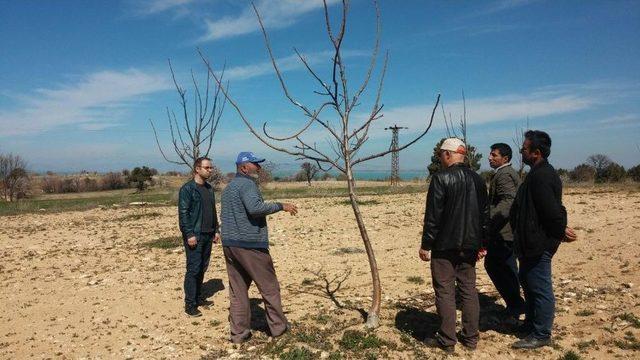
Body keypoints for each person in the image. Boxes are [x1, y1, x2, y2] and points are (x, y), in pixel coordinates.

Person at [419, 138, 489, 353]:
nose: (440, 158)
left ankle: (447, 340)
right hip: (470, 245)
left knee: (445, 291)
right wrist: (482, 244)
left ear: (448, 154)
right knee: (468, 290)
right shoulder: (478, 179)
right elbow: (484, 216)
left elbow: (433, 216)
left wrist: (426, 245)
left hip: (444, 245)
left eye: (440, 154)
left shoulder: (440, 178)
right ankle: (471, 338)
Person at [221, 151, 298, 344]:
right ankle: (279, 329)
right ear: (244, 167)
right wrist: (281, 206)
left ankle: (238, 334)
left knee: (237, 290)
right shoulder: (247, 184)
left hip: (230, 244)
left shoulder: (229, 187)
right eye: (255, 164)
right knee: (269, 287)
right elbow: (255, 209)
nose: (259, 167)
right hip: (250, 245)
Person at [510, 130, 577, 349]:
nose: (521, 152)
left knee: (540, 287)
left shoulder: (542, 176)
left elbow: (552, 211)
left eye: (524, 149)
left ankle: (541, 333)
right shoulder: (536, 173)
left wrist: (560, 231)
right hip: (529, 242)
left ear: (536, 153)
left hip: (539, 243)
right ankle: (531, 324)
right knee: (528, 283)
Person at [485, 143, 526, 323]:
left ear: (505, 158)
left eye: (494, 155)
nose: (489, 157)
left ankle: (515, 305)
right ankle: (515, 304)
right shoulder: (504, 173)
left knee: (499, 267)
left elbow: (508, 202)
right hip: (506, 231)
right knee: (507, 268)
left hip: (504, 232)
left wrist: (488, 220)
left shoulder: (504, 175)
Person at [178, 157, 221, 317]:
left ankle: (197, 297)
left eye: (211, 167)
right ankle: (190, 304)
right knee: (193, 269)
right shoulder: (187, 189)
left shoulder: (209, 189)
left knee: (203, 267)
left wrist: (216, 230)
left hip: (208, 234)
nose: (210, 170)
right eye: (207, 167)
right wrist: (189, 234)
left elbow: (212, 211)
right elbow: (183, 213)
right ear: (197, 169)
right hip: (194, 235)